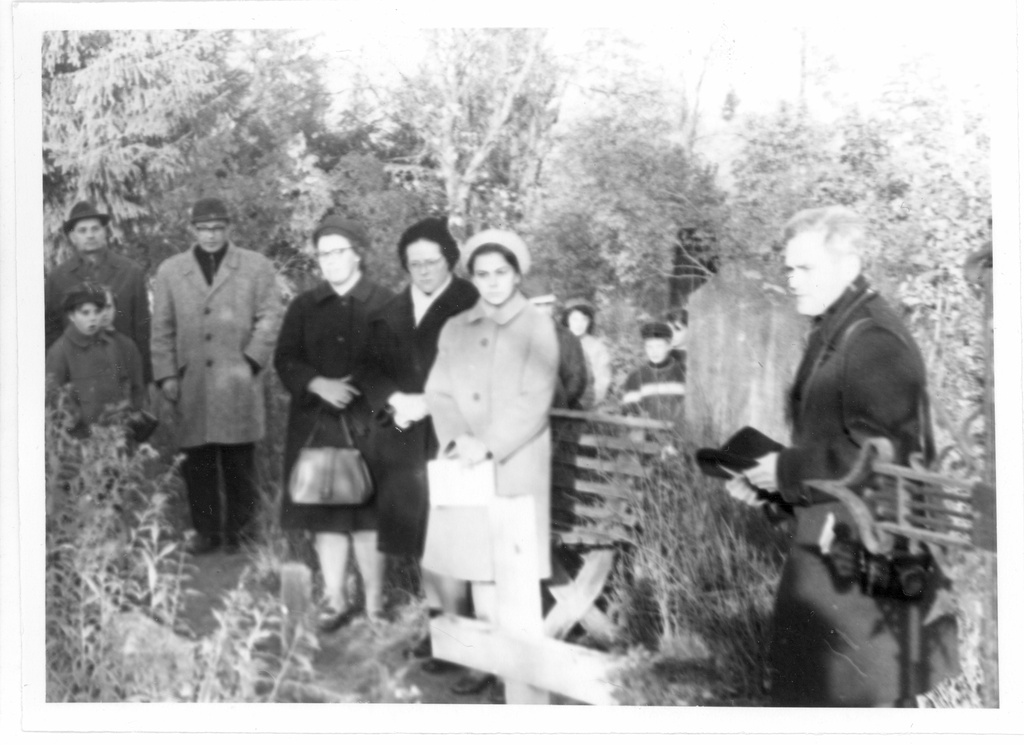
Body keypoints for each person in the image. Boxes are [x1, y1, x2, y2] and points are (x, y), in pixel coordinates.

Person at [725, 205, 959, 707]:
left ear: (849, 266)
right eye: (788, 269)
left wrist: (785, 470)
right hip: (833, 561)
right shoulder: (837, 327)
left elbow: (881, 460)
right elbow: (838, 448)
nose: (791, 281)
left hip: (862, 578)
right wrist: (773, 490)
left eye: (804, 268)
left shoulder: (872, 339)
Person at [424, 229, 559, 698]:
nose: (493, 282)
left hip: (517, 460)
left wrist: (490, 443)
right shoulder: (455, 327)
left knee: (513, 568)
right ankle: (485, 658)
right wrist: (461, 439)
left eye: (502, 273)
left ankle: (516, 673)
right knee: (477, 562)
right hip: (469, 464)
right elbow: (438, 392)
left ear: (518, 274)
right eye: (482, 274)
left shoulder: (537, 325)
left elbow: (535, 399)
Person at [360, 216, 479, 660]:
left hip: (455, 435)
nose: (424, 270)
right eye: (415, 263)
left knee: (455, 538)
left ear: (449, 259)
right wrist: (391, 404)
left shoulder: (472, 302)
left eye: (433, 261)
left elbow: (484, 370)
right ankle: (438, 628)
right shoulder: (387, 312)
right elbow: (367, 375)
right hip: (403, 438)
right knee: (420, 537)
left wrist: (434, 402)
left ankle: (461, 639)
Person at [275, 215, 394, 632]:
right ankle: (335, 599)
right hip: (317, 424)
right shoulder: (304, 306)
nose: (330, 261)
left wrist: (360, 387)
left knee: (368, 519)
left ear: (358, 253)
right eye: (323, 254)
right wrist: (316, 383)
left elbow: (399, 363)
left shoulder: (385, 303)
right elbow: (285, 358)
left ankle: (375, 606)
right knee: (327, 517)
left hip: (371, 427)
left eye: (338, 251)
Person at [151, 197, 283, 555]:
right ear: (192, 230)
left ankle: (241, 533)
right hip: (192, 381)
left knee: (239, 459)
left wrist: (252, 361)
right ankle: (206, 532)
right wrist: (166, 375)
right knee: (199, 461)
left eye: (217, 228)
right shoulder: (171, 271)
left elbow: (270, 317)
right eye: (203, 228)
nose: (210, 235)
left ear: (229, 229)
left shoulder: (255, 266)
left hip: (238, 379)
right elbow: (161, 327)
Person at [45, 201, 153, 384]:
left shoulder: (130, 272)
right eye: (83, 230)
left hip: (122, 372)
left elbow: (143, 330)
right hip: (77, 378)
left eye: (95, 229)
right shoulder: (58, 278)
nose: (90, 235)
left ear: (105, 232)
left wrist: (146, 380)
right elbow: (50, 331)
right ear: (72, 236)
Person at [45, 282, 145, 439]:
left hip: (117, 436)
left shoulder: (111, 344)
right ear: (71, 315)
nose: (92, 318)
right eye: (85, 313)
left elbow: (125, 383)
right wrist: (80, 426)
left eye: (97, 311)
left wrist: (126, 413)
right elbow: (55, 400)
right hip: (81, 442)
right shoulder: (59, 352)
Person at [526, 280, 588, 410]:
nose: (543, 310)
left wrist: (557, 404)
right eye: (538, 305)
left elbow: (577, 379)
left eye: (547, 304)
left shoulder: (569, 339)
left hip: (561, 413)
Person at [621, 321, 686, 423]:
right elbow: (629, 412)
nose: (654, 351)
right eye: (649, 347)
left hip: (678, 433)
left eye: (659, 346)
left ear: (669, 346)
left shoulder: (682, 373)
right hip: (646, 433)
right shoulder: (636, 376)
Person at [563, 299, 612, 409]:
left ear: (589, 322)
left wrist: (585, 405)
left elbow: (602, 383)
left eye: (584, 320)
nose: (579, 324)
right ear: (567, 320)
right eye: (574, 319)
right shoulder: (559, 342)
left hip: (584, 406)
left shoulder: (597, 348)